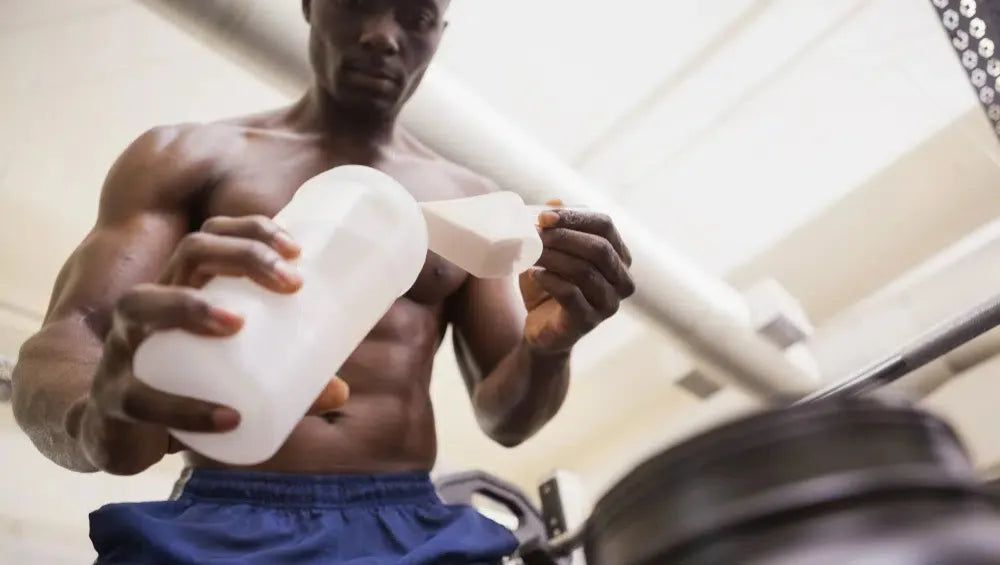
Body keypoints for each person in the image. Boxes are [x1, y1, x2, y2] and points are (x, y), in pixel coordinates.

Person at [11, 0, 635, 563]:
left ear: (440, 32)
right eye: (361, 2)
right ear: (310, 4)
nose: (384, 37)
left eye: (415, 17)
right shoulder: (187, 157)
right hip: (222, 517)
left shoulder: (468, 197)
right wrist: (91, 421)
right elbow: (72, 335)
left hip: (409, 525)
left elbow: (507, 417)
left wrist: (548, 349)